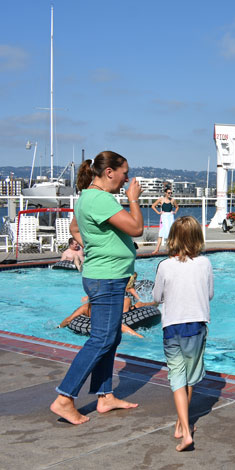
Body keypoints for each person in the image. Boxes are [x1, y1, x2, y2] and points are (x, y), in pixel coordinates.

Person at [50, 151, 143, 425]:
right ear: (110, 172)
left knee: (111, 337)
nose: (127, 177)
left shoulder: (87, 197)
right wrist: (134, 199)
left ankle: (105, 396)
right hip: (107, 277)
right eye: (124, 172)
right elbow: (136, 228)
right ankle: (64, 398)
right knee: (101, 339)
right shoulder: (100, 199)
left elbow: (75, 227)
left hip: (105, 274)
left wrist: (96, 246)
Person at [152, 216, 214, 452]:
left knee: (177, 377)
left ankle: (183, 429)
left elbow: (157, 297)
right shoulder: (205, 264)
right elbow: (209, 294)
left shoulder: (165, 265)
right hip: (196, 325)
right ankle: (182, 425)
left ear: (172, 238)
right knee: (189, 378)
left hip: (172, 327)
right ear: (198, 237)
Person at [57, 296, 146, 338]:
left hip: (125, 311)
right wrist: (59, 326)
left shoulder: (103, 305)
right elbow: (69, 319)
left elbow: (118, 324)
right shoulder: (85, 308)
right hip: (106, 319)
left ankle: (153, 303)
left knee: (132, 303)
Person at [151, 186, 178, 253]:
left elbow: (177, 207)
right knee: (161, 233)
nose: (170, 194)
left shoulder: (172, 200)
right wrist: (158, 212)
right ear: (165, 193)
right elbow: (153, 206)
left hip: (170, 217)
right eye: (169, 193)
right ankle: (157, 249)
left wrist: (174, 212)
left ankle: (169, 248)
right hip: (163, 217)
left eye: (171, 193)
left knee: (170, 233)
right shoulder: (161, 199)